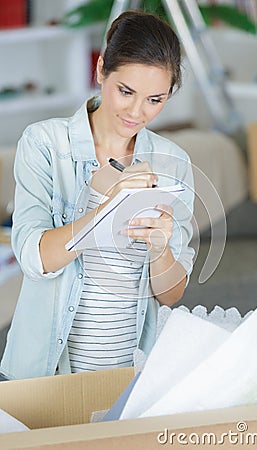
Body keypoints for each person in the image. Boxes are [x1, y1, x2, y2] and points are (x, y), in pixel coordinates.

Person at [0, 10, 195, 380]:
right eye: (126, 91)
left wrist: (160, 249)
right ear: (102, 69)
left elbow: (171, 295)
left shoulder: (173, 163)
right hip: (45, 376)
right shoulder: (44, 143)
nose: (137, 112)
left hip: (130, 376)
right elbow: (33, 258)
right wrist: (105, 211)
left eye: (155, 99)